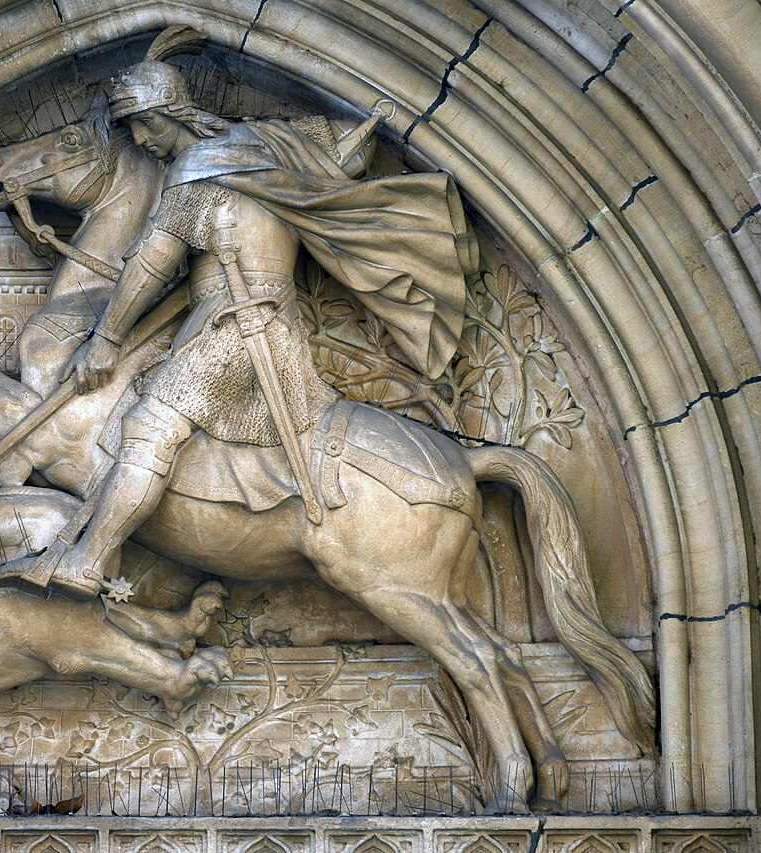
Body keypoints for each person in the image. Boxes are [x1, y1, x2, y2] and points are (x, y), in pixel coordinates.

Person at [33, 26, 478, 600]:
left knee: (147, 428)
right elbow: (345, 150)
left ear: (171, 113)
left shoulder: (198, 167)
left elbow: (150, 261)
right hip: (262, 325)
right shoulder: (269, 146)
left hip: (232, 330)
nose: (141, 140)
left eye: (143, 124)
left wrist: (106, 338)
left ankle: (89, 562)